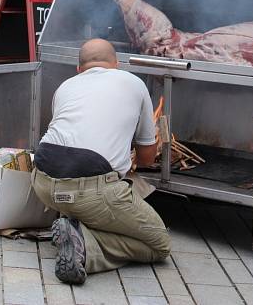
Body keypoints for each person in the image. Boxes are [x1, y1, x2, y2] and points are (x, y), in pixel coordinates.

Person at [31, 39, 171, 284]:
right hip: (93, 191)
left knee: (91, 204)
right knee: (159, 245)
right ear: (116, 65)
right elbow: (147, 159)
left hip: (43, 183)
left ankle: (72, 226)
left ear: (78, 69)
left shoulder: (65, 86)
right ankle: (85, 246)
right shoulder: (134, 83)